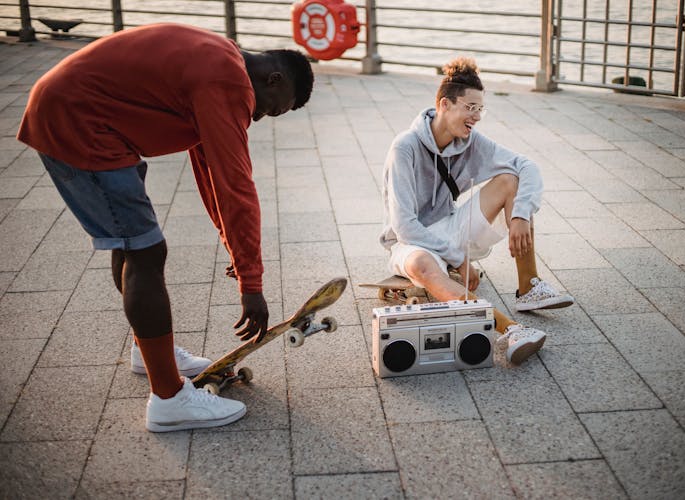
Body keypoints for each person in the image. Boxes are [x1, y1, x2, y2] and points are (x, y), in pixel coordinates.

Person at [16, 23, 314, 432]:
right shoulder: (228, 80)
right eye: (270, 108)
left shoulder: (220, 60)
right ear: (273, 78)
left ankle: (150, 352)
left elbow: (209, 169)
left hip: (78, 114)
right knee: (145, 251)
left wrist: (236, 250)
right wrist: (252, 284)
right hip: (79, 122)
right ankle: (170, 398)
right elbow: (236, 185)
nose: (258, 117)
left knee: (133, 244)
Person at [379, 57, 573, 365]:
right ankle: (511, 330)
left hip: (451, 226)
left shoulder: (469, 141)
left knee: (510, 180)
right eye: (470, 107)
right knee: (423, 266)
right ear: (444, 104)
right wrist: (458, 259)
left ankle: (529, 286)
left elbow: (526, 166)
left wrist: (521, 214)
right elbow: (404, 225)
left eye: (480, 109)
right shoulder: (405, 146)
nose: (477, 117)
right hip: (411, 242)